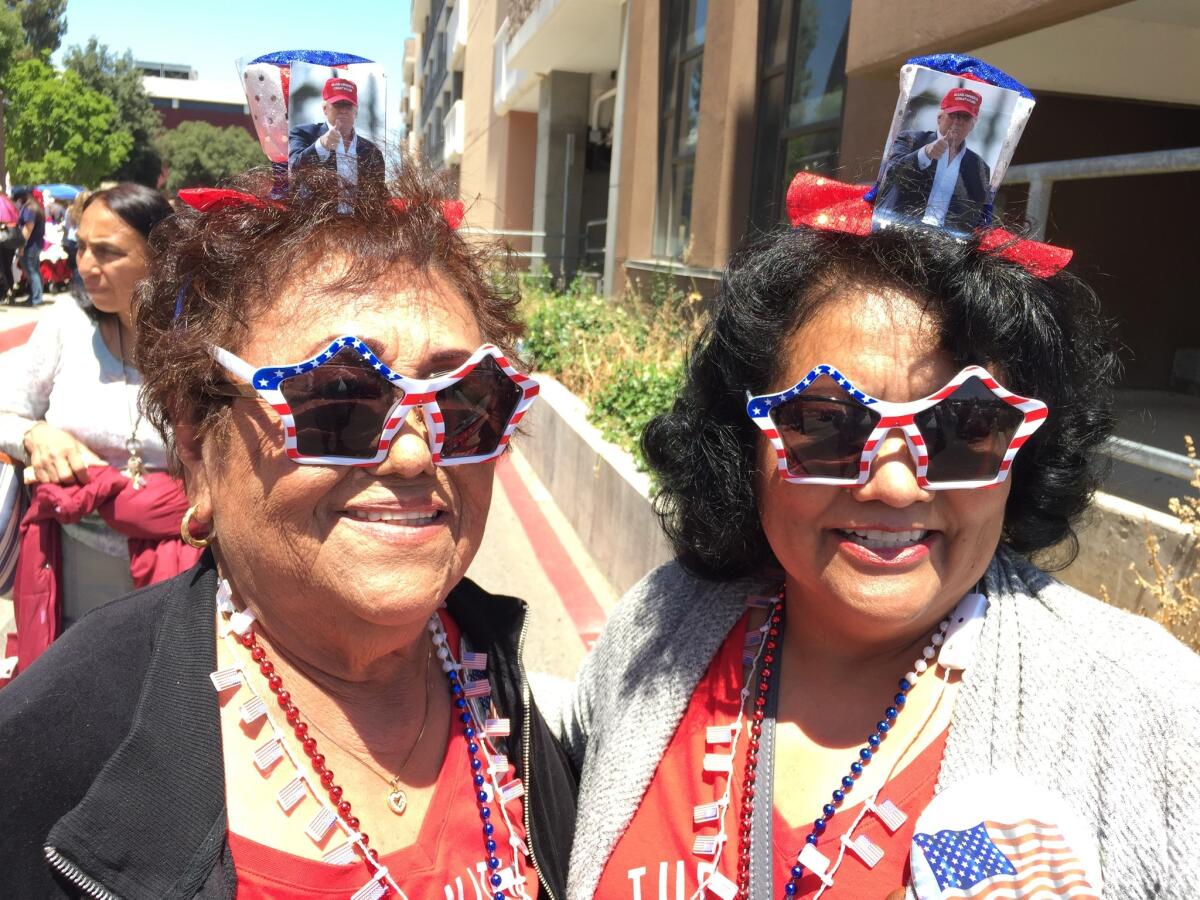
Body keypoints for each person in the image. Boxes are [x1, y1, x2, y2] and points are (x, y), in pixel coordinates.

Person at [555, 172, 1200, 898]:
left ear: (1024, 452)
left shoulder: (1158, 723)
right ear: (748, 443)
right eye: (829, 422)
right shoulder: (656, 628)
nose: (894, 485)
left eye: (964, 427)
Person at [0, 160, 575, 899]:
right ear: (200, 449)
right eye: (337, 399)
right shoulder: (57, 744)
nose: (413, 453)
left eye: (466, 400)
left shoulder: (514, 690)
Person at [0, 184, 198, 669]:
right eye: (81, 247)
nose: (86, 265)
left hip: (184, 564)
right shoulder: (67, 323)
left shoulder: (199, 339)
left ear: (161, 256)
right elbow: (7, 409)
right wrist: (35, 435)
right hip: (69, 559)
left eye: (108, 252)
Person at [874, 87, 991, 233]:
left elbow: (973, 217)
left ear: (973, 125)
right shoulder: (910, 140)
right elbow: (890, 175)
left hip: (943, 245)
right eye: (953, 115)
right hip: (896, 233)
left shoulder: (980, 167)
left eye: (965, 117)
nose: (958, 122)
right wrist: (925, 154)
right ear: (939, 118)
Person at [288, 76, 386, 188]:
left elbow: (380, 194)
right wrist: (321, 145)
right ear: (325, 108)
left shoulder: (372, 151)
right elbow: (293, 171)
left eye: (348, 106)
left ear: (356, 111)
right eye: (338, 105)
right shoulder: (303, 134)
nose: (343, 110)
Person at [14, 186, 46, 306]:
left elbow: (28, 228)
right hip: (35, 244)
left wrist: (21, 246)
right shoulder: (35, 207)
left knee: (31, 271)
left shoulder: (29, 209)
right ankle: (35, 296)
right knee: (34, 271)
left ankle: (36, 298)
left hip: (30, 245)